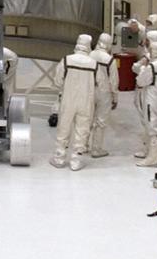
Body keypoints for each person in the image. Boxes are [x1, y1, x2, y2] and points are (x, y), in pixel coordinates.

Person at [50, 34, 96, 171]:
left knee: (63, 128)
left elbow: (58, 81)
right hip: (86, 101)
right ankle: (76, 160)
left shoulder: (67, 60)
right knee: (82, 129)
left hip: (68, 99)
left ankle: (59, 158)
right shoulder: (94, 63)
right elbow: (100, 84)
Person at [132, 37, 157, 168]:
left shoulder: (152, 66)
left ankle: (152, 157)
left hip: (151, 99)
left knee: (152, 126)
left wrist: (141, 70)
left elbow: (141, 81)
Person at [89, 32, 119, 158]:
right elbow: (114, 80)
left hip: (90, 89)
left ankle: (83, 145)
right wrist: (115, 98)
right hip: (104, 92)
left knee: (87, 118)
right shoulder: (109, 59)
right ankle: (96, 149)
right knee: (100, 121)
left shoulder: (90, 55)